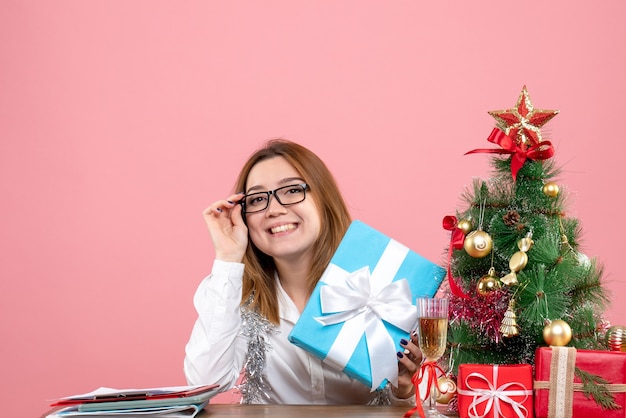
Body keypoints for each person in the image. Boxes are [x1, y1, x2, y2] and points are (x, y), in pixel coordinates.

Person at [184, 139, 422, 405]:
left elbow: (423, 398)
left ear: (323, 199)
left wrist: (404, 389)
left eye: (291, 190)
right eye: (258, 199)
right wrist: (228, 257)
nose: (274, 209)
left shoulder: (381, 285)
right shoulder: (234, 293)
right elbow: (204, 382)